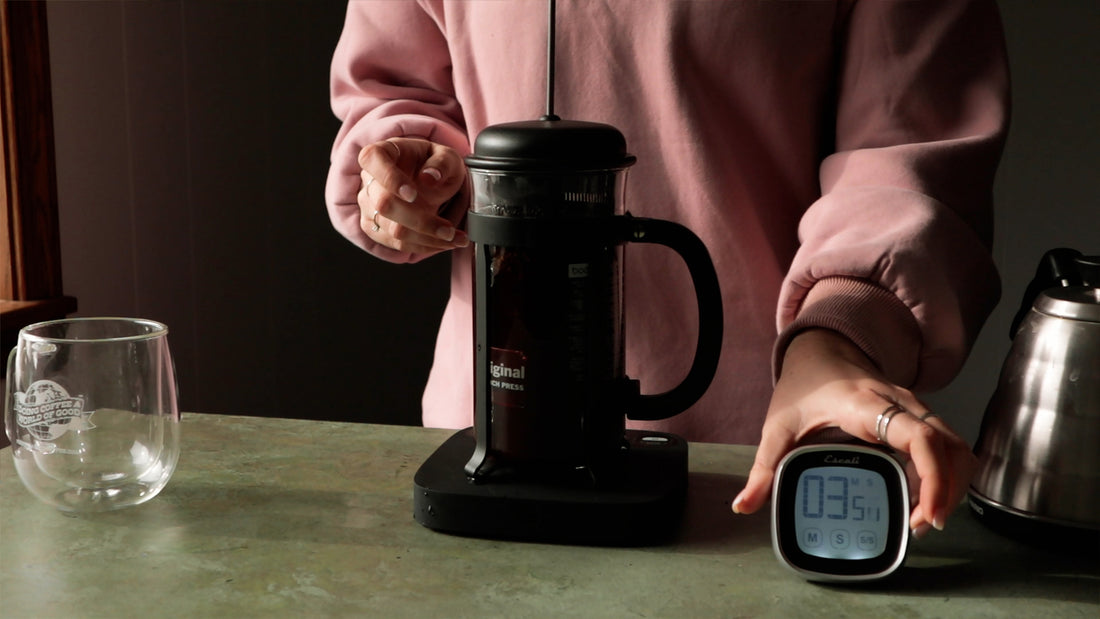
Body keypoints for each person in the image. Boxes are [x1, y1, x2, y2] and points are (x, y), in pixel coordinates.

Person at [325, 1, 1009, 539]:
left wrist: (837, 335)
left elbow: (906, 148)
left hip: (764, 461)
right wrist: (408, 173)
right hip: (496, 440)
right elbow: (394, 88)